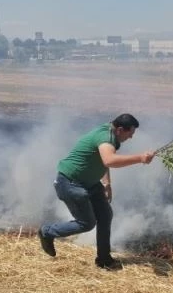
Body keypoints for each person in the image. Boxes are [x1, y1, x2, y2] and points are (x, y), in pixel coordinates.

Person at [38, 114, 154, 270]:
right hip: (70, 184)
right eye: (130, 133)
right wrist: (140, 158)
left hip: (90, 184)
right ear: (120, 129)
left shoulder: (111, 135)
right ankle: (47, 232)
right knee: (86, 223)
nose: (131, 137)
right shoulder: (105, 137)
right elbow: (109, 160)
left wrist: (107, 183)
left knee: (105, 215)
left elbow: (102, 160)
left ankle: (104, 260)